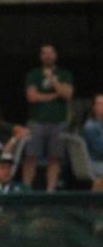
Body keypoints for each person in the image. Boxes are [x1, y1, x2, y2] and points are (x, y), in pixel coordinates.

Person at [22, 43, 74, 192]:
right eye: (44, 53)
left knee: (54, 158)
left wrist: (53, 80)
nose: (48, 56)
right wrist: (55, 95)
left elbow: (68, 95)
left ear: (56, 55)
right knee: (31, 157)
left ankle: (50, 192)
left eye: (51, 53)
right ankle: (26, 190)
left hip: (59, 122)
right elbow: (31, 97)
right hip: (37, 121)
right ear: (40, 56)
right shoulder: (33, 74)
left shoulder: (65, 74)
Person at [82, 93, 103, 191]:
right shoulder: (90, 126)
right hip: (96, 163)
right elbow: (100, 150)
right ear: (94, 107)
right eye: (99, 104)